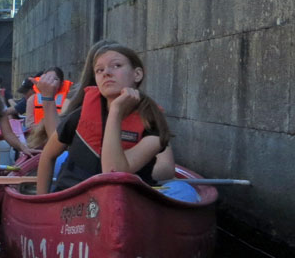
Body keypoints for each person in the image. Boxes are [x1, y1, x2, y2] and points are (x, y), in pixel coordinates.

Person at [36, 43, 192, 198]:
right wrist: (41, 201)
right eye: (99, 70)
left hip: (126, 201)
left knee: (184, 190)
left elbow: (113, 171)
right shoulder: (80, 114)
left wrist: (116, 111)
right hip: (74, 202)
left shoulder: (151, 122)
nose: (107, 73)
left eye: (117, 66)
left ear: (137, 74)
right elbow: (47, 155)